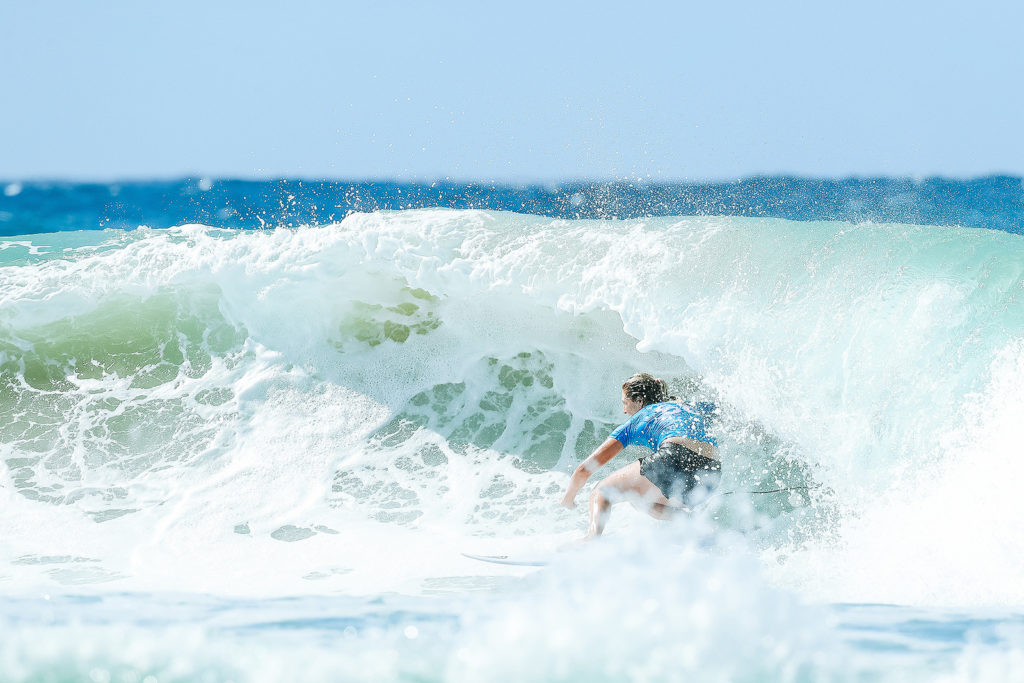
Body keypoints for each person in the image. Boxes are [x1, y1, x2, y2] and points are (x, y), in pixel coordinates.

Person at [559, 373, 720, 539]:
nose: (624, 410)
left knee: (603, 490)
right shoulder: (685, 406)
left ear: (640, 401)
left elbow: (584, 469)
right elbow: (718, 411)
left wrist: (567, 500)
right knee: (641, 500)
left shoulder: (640, 418)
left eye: (625, 403)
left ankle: (591, 539)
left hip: (676, 454)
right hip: (712, 471)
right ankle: (694, 521)